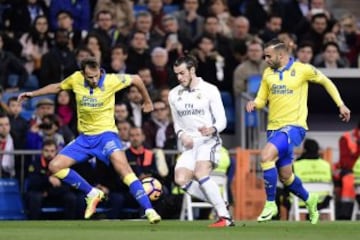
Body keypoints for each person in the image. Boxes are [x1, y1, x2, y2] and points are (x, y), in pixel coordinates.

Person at [18, 57, 161, 224]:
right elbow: (57, 87)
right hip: (84, 139)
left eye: (96, 75)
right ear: (83, 74)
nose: (94, 80)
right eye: (89, 77)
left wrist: (148, 100)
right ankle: (92, 193)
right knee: (54, 166)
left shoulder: (111, 80)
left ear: (100, 70)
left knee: (124, 170)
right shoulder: (76, 79)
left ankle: (149, 210)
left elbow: (136, 78)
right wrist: (32, 94)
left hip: (106, 136)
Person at [246, 38, 351, 224]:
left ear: (281, 55)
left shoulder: (303, 69)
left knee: (265, 156)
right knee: (286, 176)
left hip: (294, 127)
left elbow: (326, 82)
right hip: (274, 128)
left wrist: (341, 104)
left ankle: (270, 203)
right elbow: (262, 98)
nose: (266, 59)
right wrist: (254, 103)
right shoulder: (268, 73)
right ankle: (310, 200)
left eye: (269, 56)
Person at [168, 54, 234, 227]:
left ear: (192, 70)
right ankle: (220, 203)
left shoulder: (210, 90)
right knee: (181, 179)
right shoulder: (173, 94)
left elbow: (222, 121)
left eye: (182, 73)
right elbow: (177, 124)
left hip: (208, 141)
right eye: (176, 74)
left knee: (200, 172)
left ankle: (225, 217)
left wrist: (212, 129)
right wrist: (182, 135)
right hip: (189, 144)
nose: (179, 77)